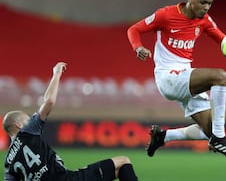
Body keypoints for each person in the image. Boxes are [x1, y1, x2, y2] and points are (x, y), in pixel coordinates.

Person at [127, 0, 226, 159]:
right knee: (220, 77)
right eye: (203, 2)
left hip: (186, 76)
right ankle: (219, 139)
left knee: (209, 129)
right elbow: (134, 29)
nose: (206, 7)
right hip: (167, 77)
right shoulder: (165, 15)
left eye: (209, 4)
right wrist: (138, 47)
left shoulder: (204, 21)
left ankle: (163, 137)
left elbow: (224, 41)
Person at [3, 62, 138, 181]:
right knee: (123, 162)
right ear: (18, 125)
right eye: (26, 119)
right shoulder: (27, 131)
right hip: (67, 179)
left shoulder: (8, 163)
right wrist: (56, 74)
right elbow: (49, 101)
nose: (29, 120)